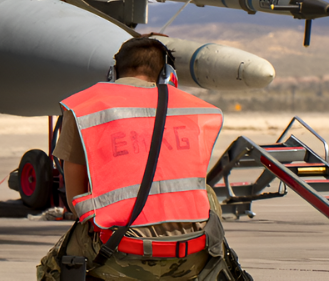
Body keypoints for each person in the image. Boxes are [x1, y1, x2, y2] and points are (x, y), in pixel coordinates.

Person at [38, 37, 252, 281]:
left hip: (118, 254)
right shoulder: (194, 110)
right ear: (167, 75)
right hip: (192, 256)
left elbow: (75, 201)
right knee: (207, 193)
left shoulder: (85, 108)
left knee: (50, 268)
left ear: (113, 72)